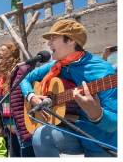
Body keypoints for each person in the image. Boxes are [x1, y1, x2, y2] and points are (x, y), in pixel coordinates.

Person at [20, 18, 117, 157]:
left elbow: (114, 124)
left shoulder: (101, 71)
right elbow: (25, 79)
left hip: (101, 143)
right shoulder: (56, 65)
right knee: (41, 136)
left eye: (53, 38)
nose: (48, 43)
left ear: (71, 40)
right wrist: (31, 96)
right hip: (73, 130)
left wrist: (97, 115)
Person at [0, 42, 28, 157]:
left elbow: (11, 99)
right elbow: (4, 101)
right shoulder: (1, 76)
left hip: (20, 124)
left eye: (3, 50)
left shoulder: (18, 70)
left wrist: (11, 123)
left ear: (12, 52)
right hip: (9, 124)